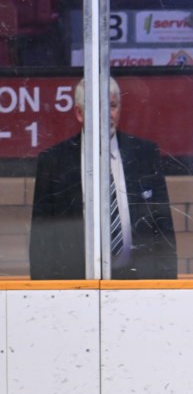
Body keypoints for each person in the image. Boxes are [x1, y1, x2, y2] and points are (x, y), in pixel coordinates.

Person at [30, 77, 178, 280]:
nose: (107, 114)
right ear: (79, 113)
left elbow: (163, 231)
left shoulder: (145, 154)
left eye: (113, 105)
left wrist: (167, 289)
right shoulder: (54, 161)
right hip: (75, 285)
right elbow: (41, 241)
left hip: (139, 284)